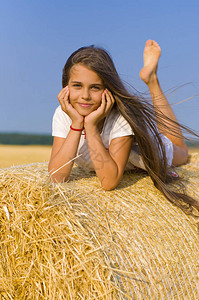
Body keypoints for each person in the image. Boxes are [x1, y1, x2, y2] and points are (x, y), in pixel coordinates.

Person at [48, 40, 199, 211]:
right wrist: (76, 124)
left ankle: (152, 81)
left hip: (143, 151)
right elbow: (56, 176)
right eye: (77, 86)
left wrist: (90, 127)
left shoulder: (120, 117)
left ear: (108, 89)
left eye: (95, 88)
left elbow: (109, 181)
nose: (85, 96)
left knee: (182, 152)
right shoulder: (63, 114)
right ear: (65, 86)